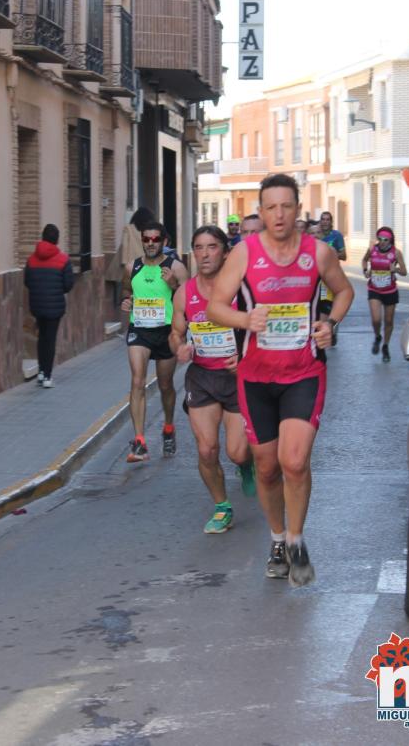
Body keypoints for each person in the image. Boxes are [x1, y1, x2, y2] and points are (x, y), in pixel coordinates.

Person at [208, 173, 354, 587]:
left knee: (294, 461)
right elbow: (217, 306)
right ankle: (276, 537)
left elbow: (344, 292)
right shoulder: (244, 254)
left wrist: (330, 323)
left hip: (304, 372)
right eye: (270, 207)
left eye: (286, 206)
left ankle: (296, 540)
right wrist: (244, 318)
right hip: (255, 378)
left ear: (297, 209)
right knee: (268, 468)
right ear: (260, 210)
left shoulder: (319, 253)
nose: (278, 214)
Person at [169, 225, 255, 534]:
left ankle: (246, 464)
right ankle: (222, 507)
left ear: (225, 251)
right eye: (199, 248)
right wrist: (180, 348)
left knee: (237, 451)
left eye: (212, 247)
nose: (204, 254)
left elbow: (261, 329)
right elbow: (175, 334)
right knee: (206, 450)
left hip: (237, 378)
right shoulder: (184, 293)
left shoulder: (242, 291)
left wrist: (246, 358)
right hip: (202, 377)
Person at [121, 220, 188, 462]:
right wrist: (126, 301)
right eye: (146, 239)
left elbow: (189, 299)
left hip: (166, 332)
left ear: (164, 241)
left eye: (155, 239)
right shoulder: (132, 267)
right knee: (137, 381)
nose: (150, 243)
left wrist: (173, 285)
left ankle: (168, 427)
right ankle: (139, 441)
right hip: (139, 330)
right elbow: (126, 291)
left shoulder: (176, 267)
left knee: (166, 385)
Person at [24, 224, 74, 388]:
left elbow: (27, 282)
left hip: (37, 305)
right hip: (55, 307)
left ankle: (40, 372)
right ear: (57, 239)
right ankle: (47, 375)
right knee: (50, 339)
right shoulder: (63, 260)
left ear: (43, 237)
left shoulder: (31, 260)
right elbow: (68, 285)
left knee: (41, 337)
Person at [362, 226, 407, 363]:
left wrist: (396, 269)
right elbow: (364, 260)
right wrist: (366, 270)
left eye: (385, 240)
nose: (382, 242)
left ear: (390, 240)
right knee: (376, 320)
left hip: (390, 290)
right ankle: (377, 336)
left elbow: (404, 272)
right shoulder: (372, 250)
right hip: (374, 289)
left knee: (388, 321)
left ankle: (385, 346)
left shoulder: (396, 253)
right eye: (380, 239)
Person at [318, 211, 347, 341]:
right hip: (317, 277)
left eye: (328, 219)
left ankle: (333, 328)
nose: (325, 222)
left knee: (332, 305)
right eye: (323, 219)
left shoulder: (336, 236)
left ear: (331, 222)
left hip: (331, 276)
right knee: (321, 306)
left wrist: (333, 253)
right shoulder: (315, 235)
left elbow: (344, 256)